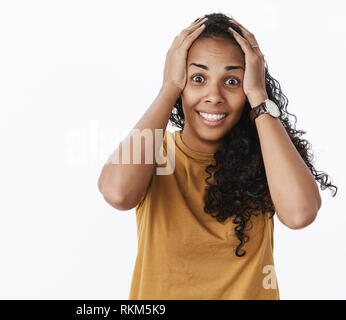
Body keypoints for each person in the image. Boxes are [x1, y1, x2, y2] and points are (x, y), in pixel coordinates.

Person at [97, 12, 337, 300]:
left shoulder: (267, 156)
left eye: (232, 81)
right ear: (182, 83)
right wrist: (167, 88)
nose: (214, 95)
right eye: (198, 78)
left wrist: (259, 97)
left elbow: (300, 213)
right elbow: (116, 193)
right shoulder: (153, 155)